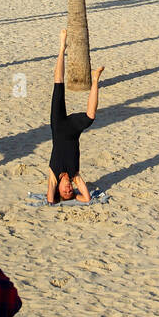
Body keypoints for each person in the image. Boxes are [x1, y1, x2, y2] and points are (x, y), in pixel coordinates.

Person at [46, 28, 103, 204]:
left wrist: (57, 199)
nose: (69, 188)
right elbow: (86, 198)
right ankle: (95, 80)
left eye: (65, 191)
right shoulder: (75, 175)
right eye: (71, 190)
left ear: (59, 190)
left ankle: (62, 48)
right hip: (71, 130)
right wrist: (74, 197)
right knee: (90, 116)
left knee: (58, 85)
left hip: (57, 125)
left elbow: (50, 199)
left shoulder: (53, 175)